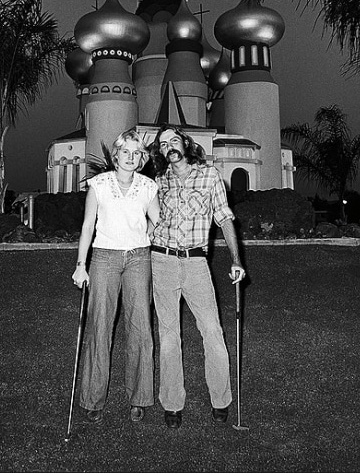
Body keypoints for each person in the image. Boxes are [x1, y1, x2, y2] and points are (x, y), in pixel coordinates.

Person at [149, 125, 245, 429]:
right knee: (168, 336)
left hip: (196, 262)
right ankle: (172, 403)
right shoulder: (158, 182)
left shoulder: (209, 175)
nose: (168, 147)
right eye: (163, 144)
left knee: (213, 333)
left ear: (185, 144)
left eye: (173, 141)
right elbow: (148, 222)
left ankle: (220, 399)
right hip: (161, 259)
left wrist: (236, 260)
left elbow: (224, 217)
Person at [72, 128, 159, 424]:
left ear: (142, 158)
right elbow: (87, 226)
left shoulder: (148, 186)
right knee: (99, 326)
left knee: (140, 327)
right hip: (104, 258)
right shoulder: (98, 184)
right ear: (116, 153)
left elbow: (157, 221)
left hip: (138, 258)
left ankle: (140, 397)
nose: (131, 158)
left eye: (137, 153)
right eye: (126, 152)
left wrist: (148, 233)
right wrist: (81, 264)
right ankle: (92, 398)